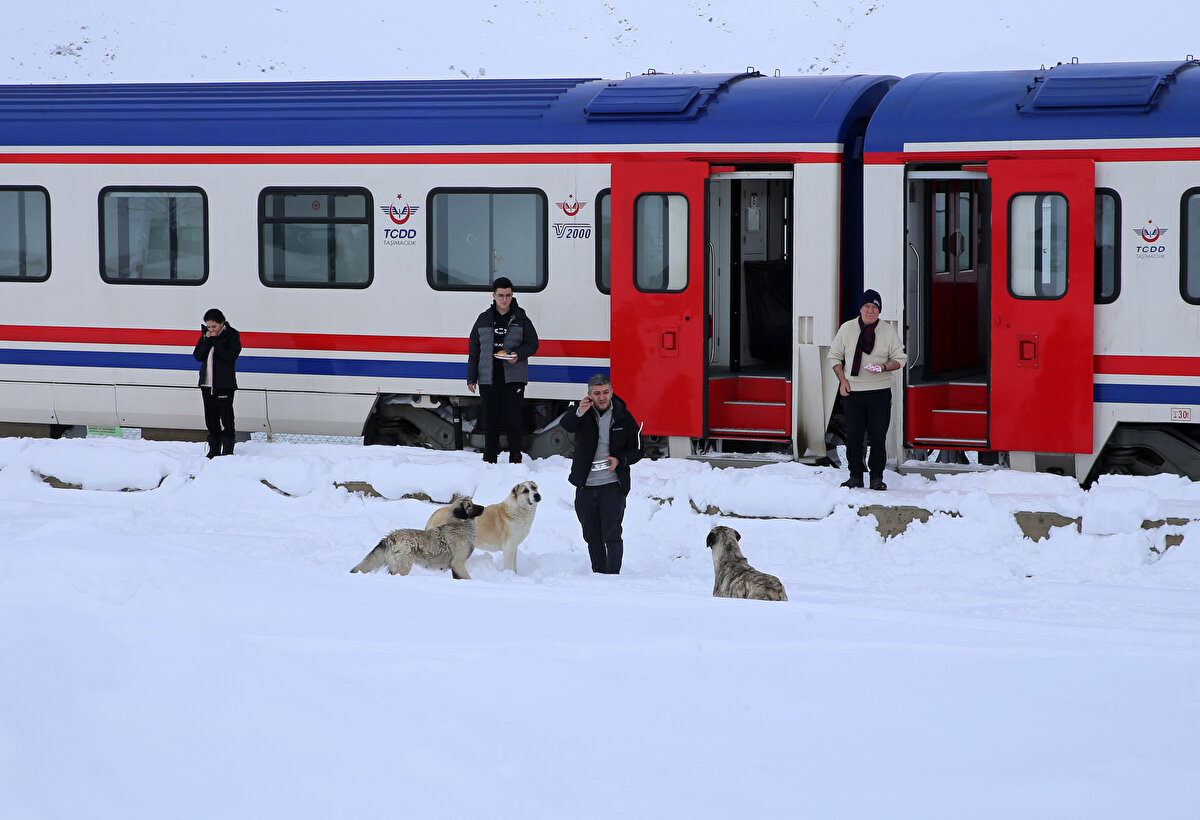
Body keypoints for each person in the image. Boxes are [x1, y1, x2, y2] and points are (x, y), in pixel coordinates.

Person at [560, 374, 643, 574]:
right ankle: (599, 573)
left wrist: (620, 460)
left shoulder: (623, 415)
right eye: (597, 393)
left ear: (612, 392)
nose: (602, 397)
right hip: (586, 486)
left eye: (606, 392)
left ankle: (613, 576)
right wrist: (579, 411)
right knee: (592, 535)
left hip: (612, 485)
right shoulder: (582, 413)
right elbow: (567, 425)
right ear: (589, 395)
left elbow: (639, 449)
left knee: (612, 534)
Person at [828, 288, 907, 491]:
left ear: (879, 311)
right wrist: (842, 380)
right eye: (867, 306)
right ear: (860, 308)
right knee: (854, 437)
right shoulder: (847, 329)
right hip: (853, 392)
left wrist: (884, 367)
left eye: (874, 307)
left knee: (878, 437)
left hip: (879, 392)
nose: (870, 311)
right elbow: (834, 356)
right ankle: (855, 475)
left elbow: (900, 358)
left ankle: (876, 478)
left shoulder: (888, 331)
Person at [466, 277, 539, 463]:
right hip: (488, 377)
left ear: (512, 295)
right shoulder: (483, 319)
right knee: (490, 420)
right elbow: (474, 349)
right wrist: (471, 378)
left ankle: (515, 456)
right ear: (494, 296)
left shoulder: (521, 318)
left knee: (513, 419)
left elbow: (533, 344)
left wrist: (518, 354)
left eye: (507, 295)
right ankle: (490, 456)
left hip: (513, 377)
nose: (504, 299)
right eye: (501, 295)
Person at [193, 308, 242, 459]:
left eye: (214, 326)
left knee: (226, 417)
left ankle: (227, 449)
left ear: (222, 323)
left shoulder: (231, 335)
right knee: (211, 417)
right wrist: (207, 340)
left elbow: (230, 357)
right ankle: (213, 448)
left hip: (224, 384)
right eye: (208, 327)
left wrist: (216, 341)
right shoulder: (205, 336)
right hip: (207, 384)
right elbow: (198, 356)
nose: (211, 329)